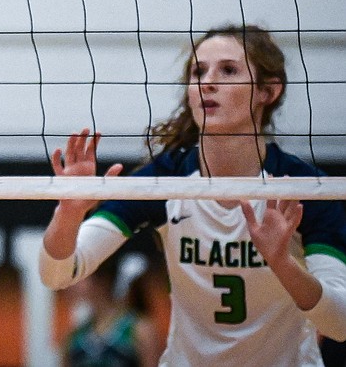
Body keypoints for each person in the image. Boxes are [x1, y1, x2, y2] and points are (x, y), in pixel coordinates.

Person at [39, 24, 346, 366]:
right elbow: (57, 274)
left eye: (228, 70)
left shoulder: (304, 188)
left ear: (268, 91)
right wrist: (68, 214)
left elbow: (340, 324)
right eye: (198, 71)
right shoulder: (167, 180)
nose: (207, 82)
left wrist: (282, 263)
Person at [61, 251, 161, 367]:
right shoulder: (74, 337)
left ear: (101, 279)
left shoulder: (139, 330)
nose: (70, 284)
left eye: (78, 276)